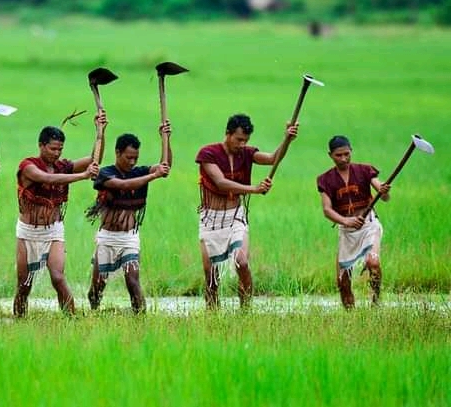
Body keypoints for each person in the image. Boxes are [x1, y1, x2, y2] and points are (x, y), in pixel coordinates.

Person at [196, 113, 297, 309]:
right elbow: (221, 183)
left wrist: (287, 139)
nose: (242, 144)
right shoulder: (207, 154)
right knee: (211, 277)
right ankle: (212, 315)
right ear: (227, 133)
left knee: (242, 262)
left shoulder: (247, 153)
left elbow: (273, 158)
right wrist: (254, 189)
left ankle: (246, 311)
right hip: (211, 220)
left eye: (246, 140)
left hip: (235, 216)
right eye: (239, 139)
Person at [13, 112, 106, 317]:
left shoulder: (62, 166)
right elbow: (46, 178)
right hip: (28, 232)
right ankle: (19, 321)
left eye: (60, 149)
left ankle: (72, 320)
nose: (56, 153)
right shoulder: (28, 166)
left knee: (57, 276)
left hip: (53, 230)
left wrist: (101, 131)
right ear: (41, 146)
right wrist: (82, 175)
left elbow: (94, 159)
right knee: (24, 284)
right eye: (53, 148)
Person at [85, 124, 171, 313]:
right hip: (107, 238)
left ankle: (140, 319)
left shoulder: (140, 171)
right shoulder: (105, 173)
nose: (132, 162)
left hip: (129, 238)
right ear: (117, 153)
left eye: (135, 158)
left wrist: (166, 139)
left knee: (132, 281)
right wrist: (153, 176)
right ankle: (92, 314)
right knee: (97, 286)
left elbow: (165, 167)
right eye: (128, 157)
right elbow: (123, 185)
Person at [316, 135, 390, 309]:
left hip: (368, 224)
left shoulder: (365, 170)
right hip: (346, 229)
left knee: (373, 262)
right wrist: (346, 221)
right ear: (330, 155)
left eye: (347, 154)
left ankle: (376, 301)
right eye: (338, 155)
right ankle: (351, 317)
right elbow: (327, 210)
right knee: (342, 281)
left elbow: (385, 196)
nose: (343, 159)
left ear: (351, 151)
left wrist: (383, 189)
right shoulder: (325, 179)